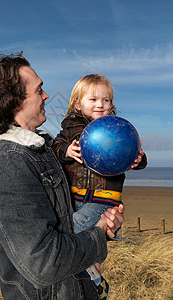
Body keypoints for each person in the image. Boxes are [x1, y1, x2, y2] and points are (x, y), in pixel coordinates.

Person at [0, 53, 124, 300]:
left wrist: (104, 224)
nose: (46, 96)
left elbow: (68, 221)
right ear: (14, 101)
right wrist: (98, 234)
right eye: (39, 90)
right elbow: (44, 263)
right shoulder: (11, 162)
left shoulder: (44, 149)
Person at [52, 74, 147, 296]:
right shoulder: (69, 129)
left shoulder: (117, 129)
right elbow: (56, 147)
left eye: (106, 100)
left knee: (74, 228)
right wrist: (66, 151)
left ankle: (90, 275)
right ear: (78, 103)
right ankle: (93, 277)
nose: (100, 105)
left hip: (105, 197)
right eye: (93, 100)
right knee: (85, 234)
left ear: (111, 105)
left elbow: (137, 155)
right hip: (75, 195)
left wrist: (138, 159)